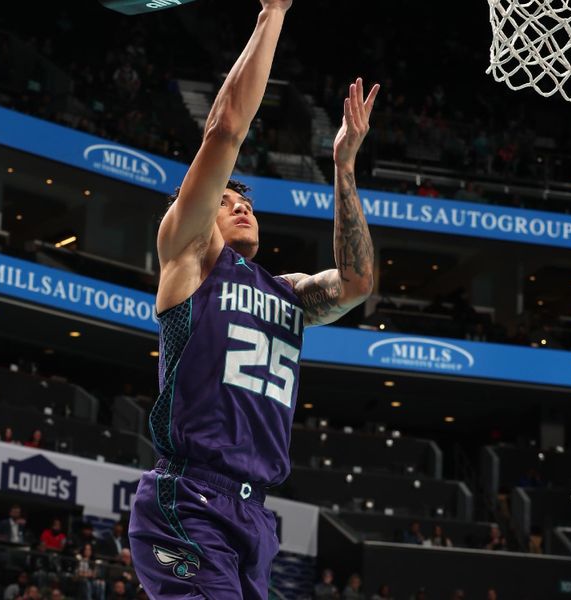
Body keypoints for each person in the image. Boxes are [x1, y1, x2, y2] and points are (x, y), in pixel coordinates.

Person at [127, 2, 378, 598]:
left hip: (254, 517)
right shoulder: (189, 258)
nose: (242, 204)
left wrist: (344, 166)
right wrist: (274, 11)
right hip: (188, 498)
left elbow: (359, 282)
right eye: (226, 199)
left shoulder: (287, 294)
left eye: (249, 202)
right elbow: (225, 130)